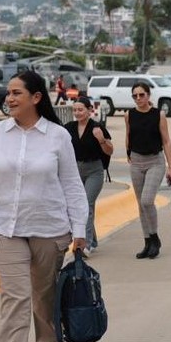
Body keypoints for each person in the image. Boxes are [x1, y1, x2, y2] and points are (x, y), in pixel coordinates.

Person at [0, 70, 88, 342]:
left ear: (36, 98)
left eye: (17, 93)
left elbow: (71, 185)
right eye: (8, 93)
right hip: (5, 227)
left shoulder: (57, 136)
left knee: (43, 295)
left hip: (49, 228)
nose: (9, 98)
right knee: (15, 299)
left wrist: (80, 229)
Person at [125, 81, 171, 260]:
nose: (138, 98)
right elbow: (128, 135)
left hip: (155, 161)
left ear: (148, 95)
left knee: (147, 200)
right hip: (136, 162)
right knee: (140, 204)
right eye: (135, 96)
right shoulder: (128, 115)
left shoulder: (158, 115)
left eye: (141, 95)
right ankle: (147, 242)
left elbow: (166, 141)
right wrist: (129, 154)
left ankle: (155, 238)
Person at [65, 96, 113, 256]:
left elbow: (110, 150)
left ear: (89, 110)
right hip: (76, 170)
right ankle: (93, 240)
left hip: (94, 170)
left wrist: (101, 139)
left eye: (81, 110)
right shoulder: (69, 128)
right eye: (75, 110)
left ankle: (85, 244)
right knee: (83, 205)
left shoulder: (97, 127)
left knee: (86, 204)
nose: (77, 113)